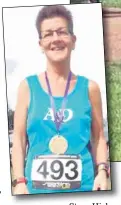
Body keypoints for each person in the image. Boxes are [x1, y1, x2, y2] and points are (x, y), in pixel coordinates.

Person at [11, 5, 109, 195]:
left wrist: (103, 171)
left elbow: (98, 137)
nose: (55, 39)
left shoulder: (90, 88)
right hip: (35, 192)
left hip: (84, 188)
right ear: (40, 44)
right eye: (48, 34)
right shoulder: (27, 87)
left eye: (62, 32)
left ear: (73, 40)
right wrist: (19, 181)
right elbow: (19, 139)